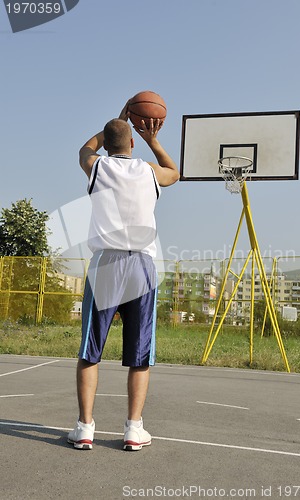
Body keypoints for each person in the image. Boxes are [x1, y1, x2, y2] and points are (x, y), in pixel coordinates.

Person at [67, 100, 179, 451]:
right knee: (139, 353)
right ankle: (134, 429)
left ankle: (85, 427)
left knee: (90, 350)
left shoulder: (98, 167)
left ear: (108, 141)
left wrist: (118, 122)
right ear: (132, 144)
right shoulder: (148, 170)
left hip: (106, 264)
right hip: (141, 266)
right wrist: (150, 138)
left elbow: (85, 149)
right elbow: (174, 172)